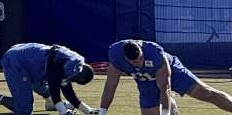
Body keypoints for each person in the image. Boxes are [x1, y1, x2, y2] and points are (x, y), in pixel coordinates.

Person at [99, 39, 232, 115]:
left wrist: (165, 113)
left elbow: (165, 88)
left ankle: (170, 105)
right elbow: (109, 88)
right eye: (134, 62)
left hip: (171, 72)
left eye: (140, 59)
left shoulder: (155, 53)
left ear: (141, 50)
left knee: (206, 93)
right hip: (146, 81)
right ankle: (171, 105)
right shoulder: (116, 56)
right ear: (125, 59)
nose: (139, 63)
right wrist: (102, 113)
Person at [0, 43, 96, 115]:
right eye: (75, 80)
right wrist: (63, 112)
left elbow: (68, 91)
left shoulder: (74, 61)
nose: (72, 81)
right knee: (24, 110)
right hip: (17, 62)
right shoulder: (60, 65)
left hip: (30, 58)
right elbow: (55, 89)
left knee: (44, 81)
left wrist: (88, 111)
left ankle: (50, 103)